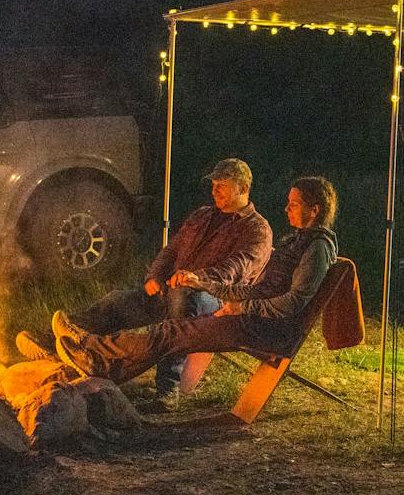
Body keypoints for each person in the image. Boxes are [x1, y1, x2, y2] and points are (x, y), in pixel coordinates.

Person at [52, 175, 338, 390]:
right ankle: (96, 360)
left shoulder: (316, 247)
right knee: (160, 326)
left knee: (169, 332)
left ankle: (95, 352)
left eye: (294, 204)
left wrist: (240, 307)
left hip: (264, 329)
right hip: (247, 316)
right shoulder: (295, 240)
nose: (287, 209)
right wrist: (207, 285)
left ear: (314, 210)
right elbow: (254, 289)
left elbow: (293, 302)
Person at [20, 156, 272, 400]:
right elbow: (171, 250)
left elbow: (235, 269)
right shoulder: (203, 216)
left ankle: (168, 388)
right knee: (118, 301)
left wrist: (196, 278)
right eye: (214, 186)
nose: (215, 191)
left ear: (244, 188)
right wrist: (155, 275)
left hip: (217, 300)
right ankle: (62, 343)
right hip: (174, 286)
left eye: (223, 186)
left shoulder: (256, 229)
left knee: (183, 300)